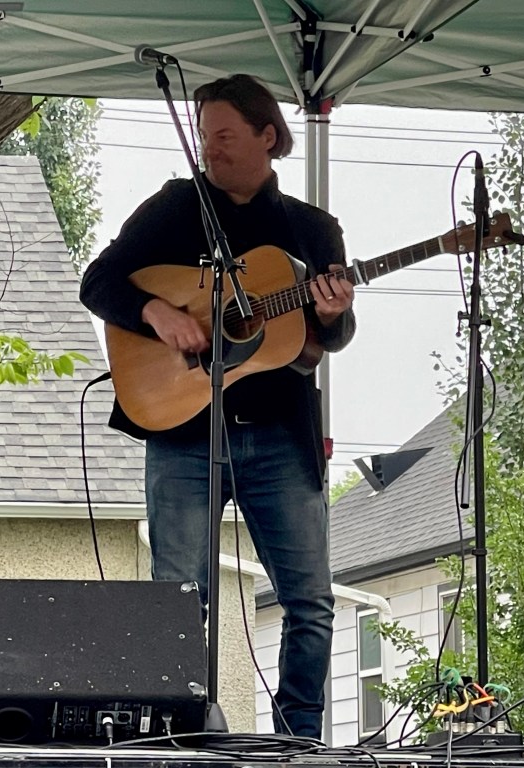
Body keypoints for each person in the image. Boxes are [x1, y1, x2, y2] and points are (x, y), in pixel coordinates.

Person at [80, 75, 355, 740]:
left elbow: (331, 339)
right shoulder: (176, 208)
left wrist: (333, 313)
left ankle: (299, 741)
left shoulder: (312, 230)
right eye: (204, 136)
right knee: (178, 599)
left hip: (279, 437)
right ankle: (176, 733)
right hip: (181, 432)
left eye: (225, 135)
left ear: (268, 136)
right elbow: (100, 281)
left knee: (310, 602)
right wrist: (156, 315)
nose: (211, 149)